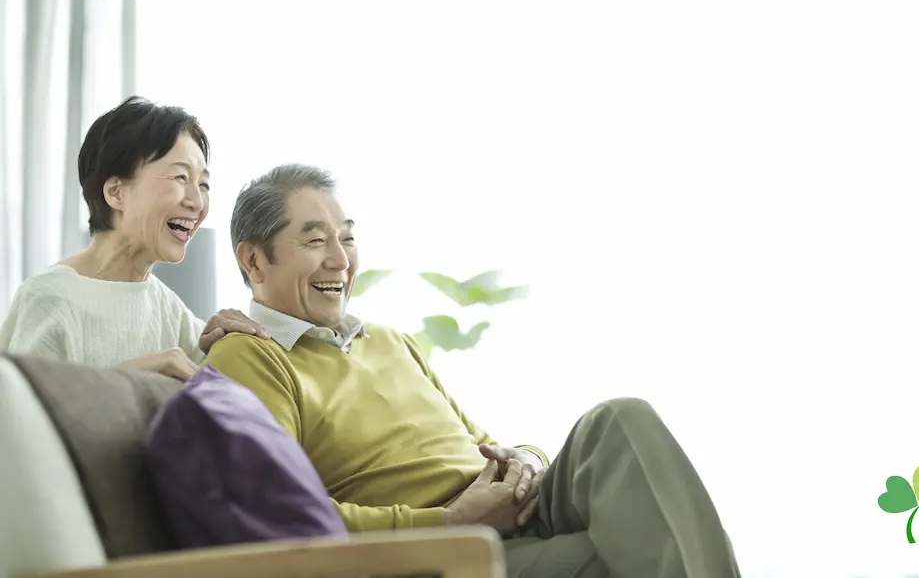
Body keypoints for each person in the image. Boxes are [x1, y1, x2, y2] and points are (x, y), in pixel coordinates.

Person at [202, 163, 740, 577]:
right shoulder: (250, 356)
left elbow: (481, 444)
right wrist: (450, 522)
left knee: (620, 419)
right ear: (254, 261)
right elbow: (281, 516)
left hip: (514, 515)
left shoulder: (390, 341)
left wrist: (526, 460)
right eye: (315, 240)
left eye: (346, 237)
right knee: (631, 550)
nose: (340, 259)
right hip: (442, 553)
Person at [0, 96, 267, 380]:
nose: (197, 202)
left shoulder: (168, 308)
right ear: (116, 193)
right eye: (180, 177)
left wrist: (222, 340)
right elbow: (21, 405)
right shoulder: (49, 299)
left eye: (203, 184)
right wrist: (124, 378)